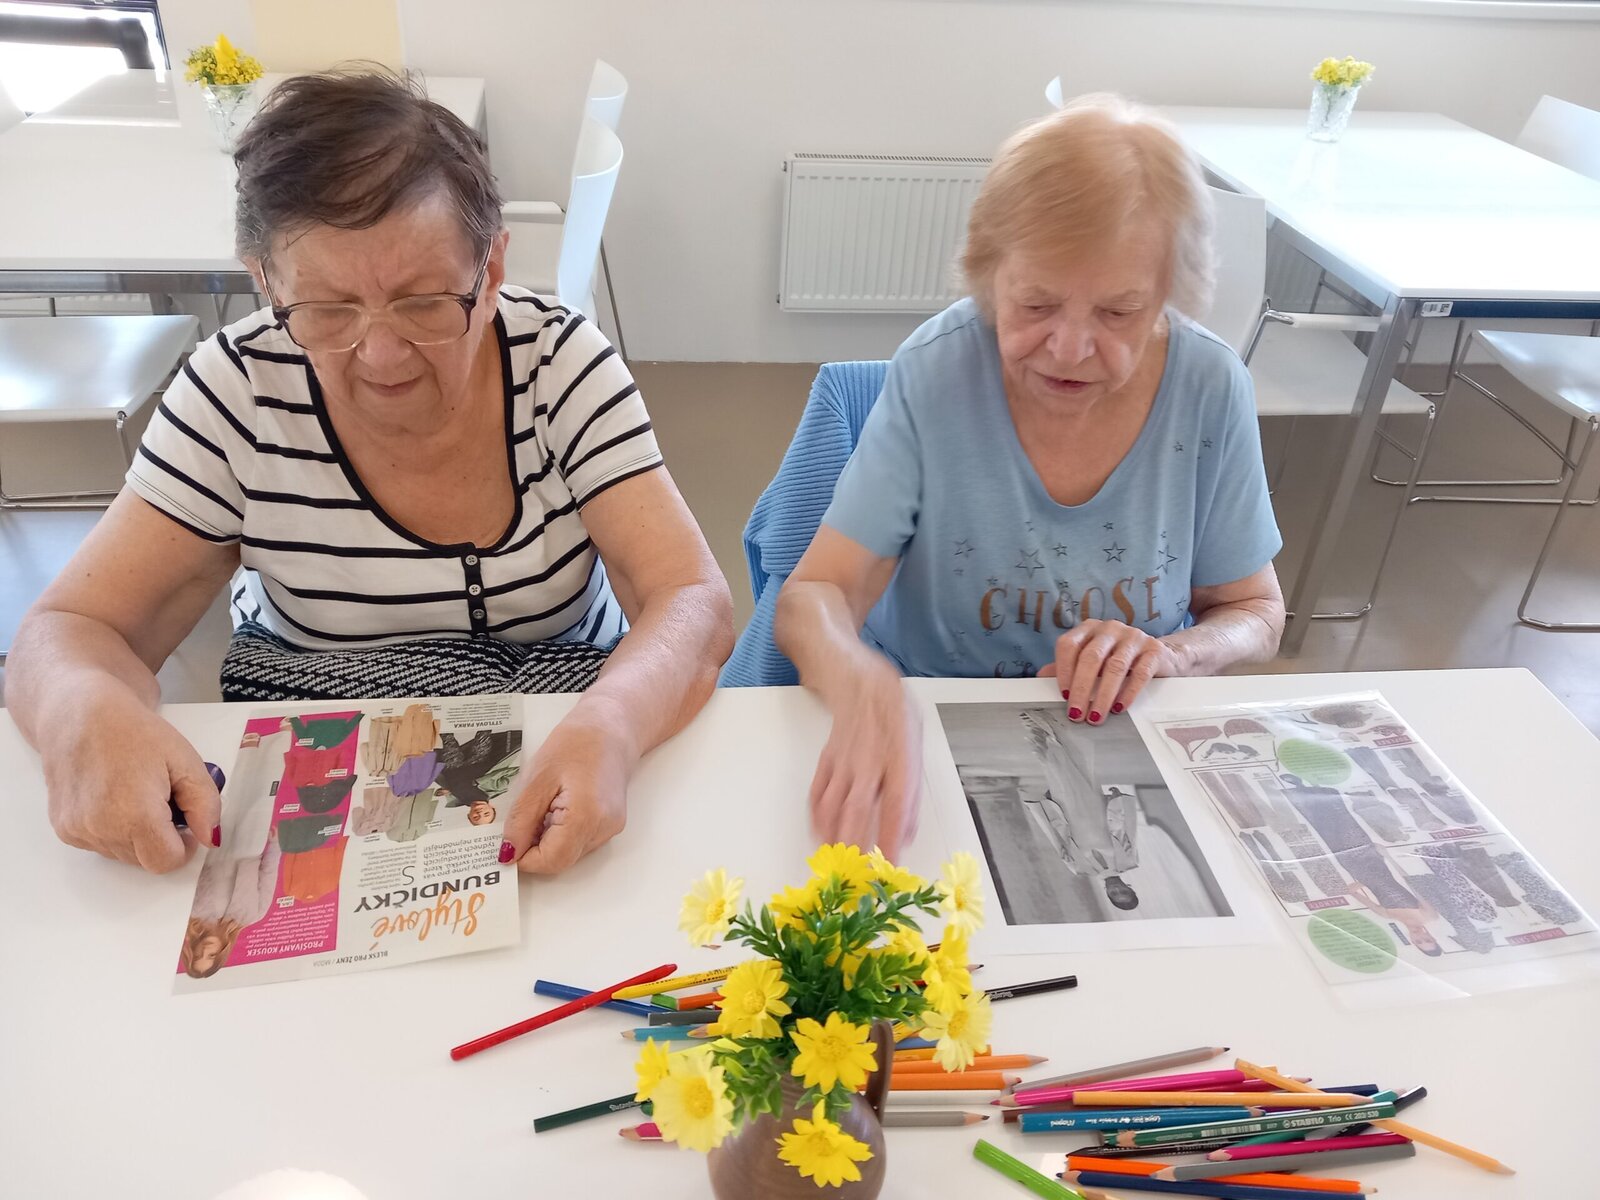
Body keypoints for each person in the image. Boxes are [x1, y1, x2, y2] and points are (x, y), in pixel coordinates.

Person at [4, 71, 732, 877]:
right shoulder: (237, 392)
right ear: (265, 281)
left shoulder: (560, 367)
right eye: (327, 310)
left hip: (564, 737)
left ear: (491, 270)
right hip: (324, 742)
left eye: (424, 303)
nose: (381, 356)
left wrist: (613, 723)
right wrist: (82, 709)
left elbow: (691, 598)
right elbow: (66, 630)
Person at [774, 94, 1284, 857]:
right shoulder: (937, 375)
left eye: (1119, 313)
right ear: (988, 277)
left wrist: (1175, 653)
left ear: (1167, 298)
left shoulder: (1209, 387)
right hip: (932, 734)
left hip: (1124, 735)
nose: (1070, 348)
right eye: (1036, 303)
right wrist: (860, 678)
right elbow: (813, 594)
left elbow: (1257, 612)